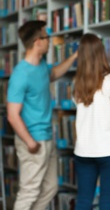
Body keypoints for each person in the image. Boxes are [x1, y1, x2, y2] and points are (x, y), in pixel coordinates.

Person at [6, 20, 78, 210]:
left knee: (50, 188)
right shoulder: (20, 74)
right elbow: (12, 115)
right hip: (32, 141)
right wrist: (29, 141)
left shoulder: (42, 66)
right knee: (29, 191)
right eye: (47, 37)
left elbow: (54, 74)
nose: (50, 41)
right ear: (38, 41)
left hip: (47, 138)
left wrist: (75, 56)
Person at [72, 33, 110, 210]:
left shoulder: (77, 84)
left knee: (83, 200)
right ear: (102, 54)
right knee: (106, 203)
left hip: (84, 151)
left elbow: (98, 91)